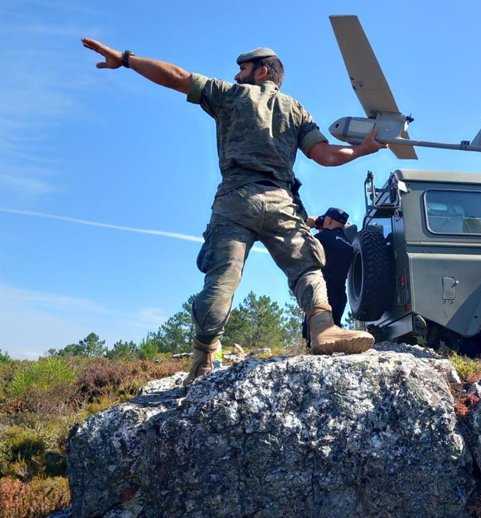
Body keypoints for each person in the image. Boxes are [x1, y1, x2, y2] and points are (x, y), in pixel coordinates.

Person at [81, 38, 387, 385]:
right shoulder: (296, 109)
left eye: (242, 69)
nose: (237, 75)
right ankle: (323, 328)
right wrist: (363, 150)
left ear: (262, 70)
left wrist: (125, 58)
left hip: (234, 199)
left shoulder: (229, 94)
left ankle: (204, 355)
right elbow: (327, 155)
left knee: (221, 279)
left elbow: (176, 76)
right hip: (280, 201)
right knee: (305, 267)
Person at [306, 207, 355, 329]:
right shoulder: (349, 245)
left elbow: (298, 244)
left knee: (313, 332)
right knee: (334, 330)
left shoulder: (322, 238)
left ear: (328, 220)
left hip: (322, 295)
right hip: (340, 296)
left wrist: (307, 225)